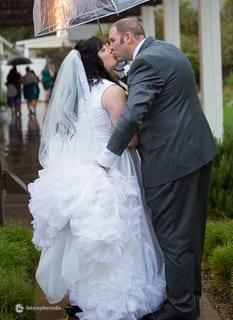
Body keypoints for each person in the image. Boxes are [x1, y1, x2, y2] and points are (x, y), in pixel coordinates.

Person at [28, 37, 166, 320]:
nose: (111, 49)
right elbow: (126, 138)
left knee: (92, 239)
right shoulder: (112, 91)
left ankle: (89, 296)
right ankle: (121, 297)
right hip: (114, 167)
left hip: (86, 169)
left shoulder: (77, 95)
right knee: (124, 232)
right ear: (93, 58)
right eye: (104, 48)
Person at [97, 18, 217, 320]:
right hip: (195, 155)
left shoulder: (146, 64)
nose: (110, 46)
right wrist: (121, 72)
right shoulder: (164, 51)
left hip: (170, 163)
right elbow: (152, 92)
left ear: (126, 37)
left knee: (173, 238)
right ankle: (189, 301)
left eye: (113, 41)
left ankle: (179, 309)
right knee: (190, 235)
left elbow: (135, 112)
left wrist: (106, 157)